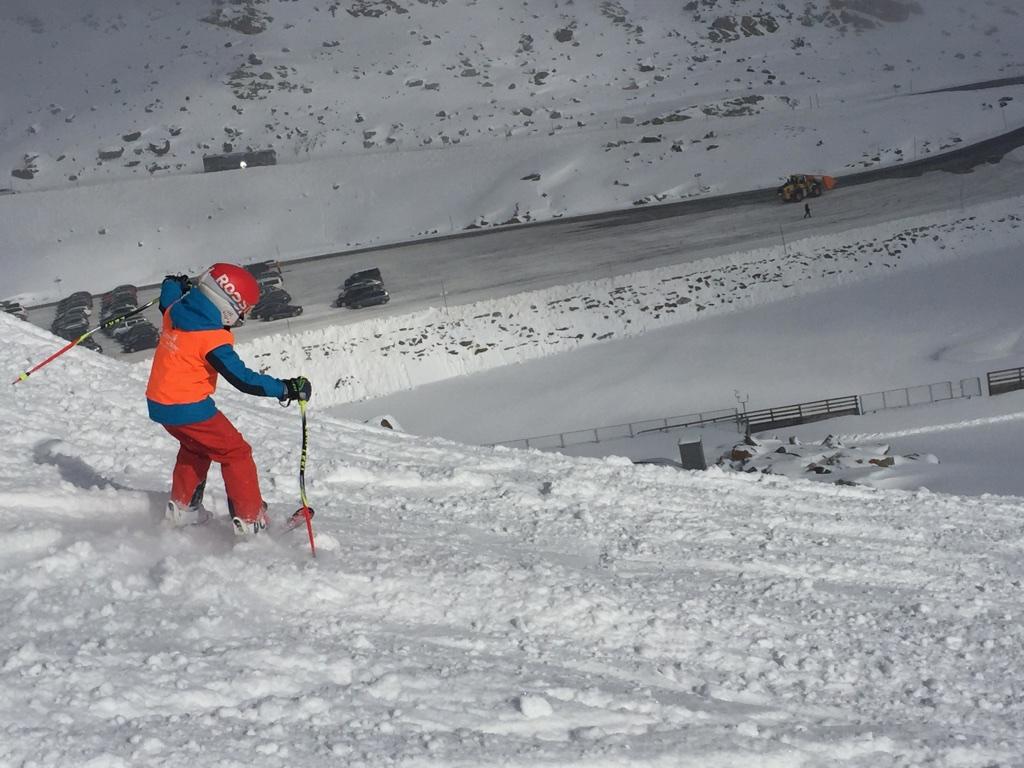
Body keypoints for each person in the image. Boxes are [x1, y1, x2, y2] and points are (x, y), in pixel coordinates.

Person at [145, 263, 312, 536]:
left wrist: (175, 281)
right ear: (227, 305)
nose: (243, 316)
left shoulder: (175, 310)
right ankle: (250, 521)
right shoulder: (212, 338)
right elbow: (243, 379)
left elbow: (169, 291)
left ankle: (183, 509)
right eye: (243, 309)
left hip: (160, 403)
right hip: (189, 407)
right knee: (236, 453)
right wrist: (287, 388)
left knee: (196, 447)